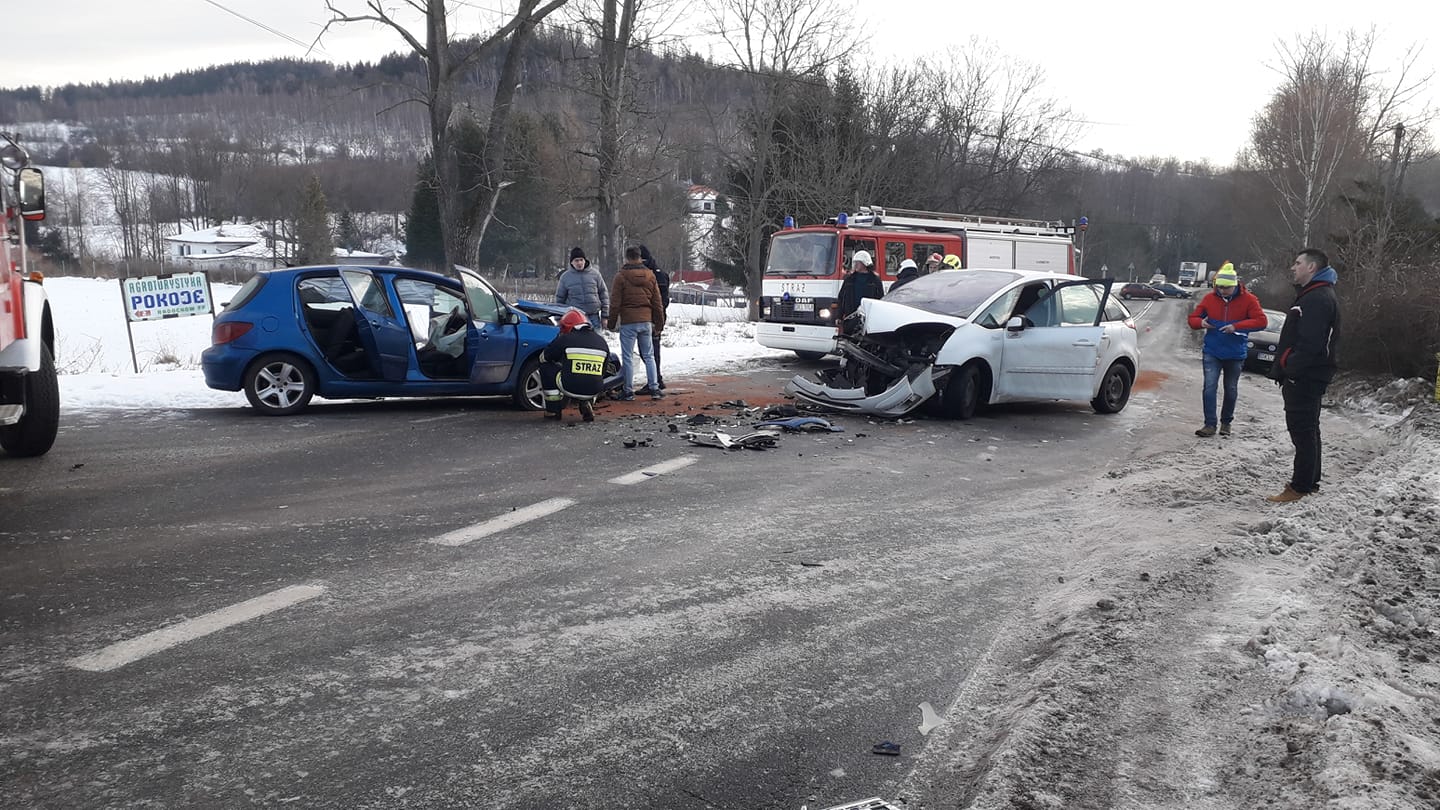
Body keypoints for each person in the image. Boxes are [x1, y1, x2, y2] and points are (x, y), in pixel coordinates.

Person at [1266, 248, 1341, 503]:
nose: (1293, 267)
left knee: (1302, 431)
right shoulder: (1314, 295)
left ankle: (1299, 487)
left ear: (1312, 268)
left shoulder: (1317, 299)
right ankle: (1310, 482)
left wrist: (1289, 364)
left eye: (1298, 263)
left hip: (1306, 376)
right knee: (1310, 430)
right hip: (1310, 374)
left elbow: (1312, 344)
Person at [1186, 262, 1266, 437]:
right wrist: (1201, 323)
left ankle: (1226, 423)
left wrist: (1236, 327)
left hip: (1235, 352)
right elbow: (1193, 318)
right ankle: (1209, 425)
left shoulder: (1249, 300)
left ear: (1235, 285)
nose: (1222, 290)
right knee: (1209, 387)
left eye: (1226, 288)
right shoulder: (1209, 298)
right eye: (1219, 287)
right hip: (1212, 350)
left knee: (1230, 388)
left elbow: (1261, 321)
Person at [607, 246, 667, 400]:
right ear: (640, 257)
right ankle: (654, 388)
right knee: (649, 355)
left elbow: (615, 303)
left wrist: (611, 323)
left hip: (628, 321)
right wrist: (659, 324)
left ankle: (627, 391)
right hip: (646, 321)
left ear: (626, 257)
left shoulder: (620, 276)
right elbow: (657, 303)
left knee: (627, 357)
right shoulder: (651, 276)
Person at [540, 309, 611, 422]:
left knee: (546, 367)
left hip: (569, 386)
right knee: (588, 377)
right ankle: (586, 401)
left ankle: (553, 410)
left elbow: (544, 357)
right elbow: (603, 370)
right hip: (594, 389)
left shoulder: (565, 339)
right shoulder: (601, 341)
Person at [639, 244, 670, 389]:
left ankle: (655, 380)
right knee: (652, 350)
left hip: (650, 317)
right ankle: (657, 378)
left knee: (648, 351)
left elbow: (662, 300)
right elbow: (665, 301)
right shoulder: (661, 274)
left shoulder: (650, 274)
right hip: (657, 316)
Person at [555, 247, 608, 330]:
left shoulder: (595, 274)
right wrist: (558, 318)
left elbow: (603, 294)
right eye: (576, 260)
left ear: (585, 260)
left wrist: (605, 316)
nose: (579, 263)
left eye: (581, 260)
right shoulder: (565, 277)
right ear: (572, 262)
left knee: (596, 341)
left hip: (593, 316)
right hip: (575, 317)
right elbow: (560, 299)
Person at [835, 250, 884, 329]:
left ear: (865, 263)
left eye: (858, 262)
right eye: (855, 262)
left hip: (868, 319)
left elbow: (880, 299)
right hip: (850, 318)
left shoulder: (875, 280)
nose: (855, 265)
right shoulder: (849, 279)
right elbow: (842, 298)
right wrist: (839, 316)